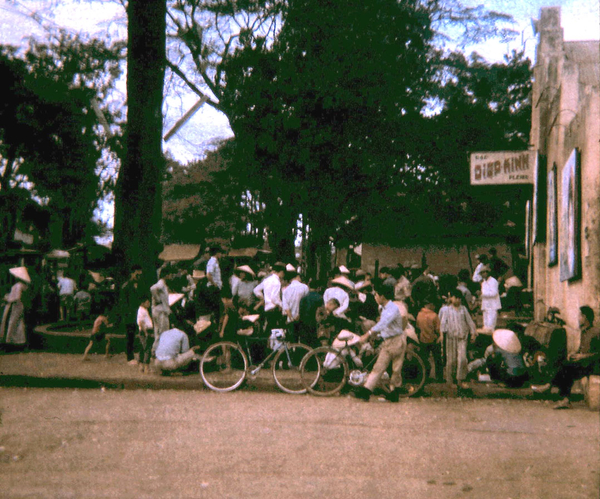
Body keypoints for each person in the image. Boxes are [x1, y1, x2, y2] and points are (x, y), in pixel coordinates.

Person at [532, 306, 600, 409]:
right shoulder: (583, 331)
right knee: (564, 365)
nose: (578, 318)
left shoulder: (596, 332)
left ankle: (551, 387)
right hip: (583, 362)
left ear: (585, 317)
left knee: (566, 368)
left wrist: (582, 356)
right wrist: (574, 354)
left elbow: (597, 354)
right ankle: (562, 397)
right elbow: (582, 349)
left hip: (592, 365)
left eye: (579, 316)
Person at [354, 283, 406, 403]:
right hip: (390, 340)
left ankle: (390, 392)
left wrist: (368, 334)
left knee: (395, 369)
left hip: (396, 340)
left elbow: (383, 324)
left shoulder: (392, 309)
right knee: (381, 367)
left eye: (376, 295)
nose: (375, 297)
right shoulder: (384, 308)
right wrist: (377, 335)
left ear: (382, 296)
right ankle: (369, 391)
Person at [441, 289, 477, 390]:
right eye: (454, 298)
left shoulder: (463, 309)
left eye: (458, 298)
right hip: (451, 338)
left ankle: (460, 380)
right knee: (451, 360)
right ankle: (449, 381)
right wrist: (441, 335)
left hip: (462, 338)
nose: (456, 300)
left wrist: (473, 333)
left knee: (462, 359)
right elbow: (443, 324)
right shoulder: (447, 310)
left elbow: (470, 322)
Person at [1, 267, 31, 348]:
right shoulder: (23, 285)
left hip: (14, 306)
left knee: (11, 322)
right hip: (19, 305)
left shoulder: (18, 285)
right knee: (18, 323)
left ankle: (9, 341)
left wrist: (7, 299)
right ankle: (19, 340)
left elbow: (17, 297)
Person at [120, 265, 144, 365]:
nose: (138, 276)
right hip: (130, 315)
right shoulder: (126, 286)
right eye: (137, 274)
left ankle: (139, 356)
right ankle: (130, 357)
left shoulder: (140, 285)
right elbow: (123, 303)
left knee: (140, 335)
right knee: (130, 336)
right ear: (132, 273)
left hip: (138, 314)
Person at [253, 262, 286, 333]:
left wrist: (263, 298)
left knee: (268, 328)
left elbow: (256, 290)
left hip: (267, 308)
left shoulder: (267, 280)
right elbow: (275, 297)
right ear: (281, 272)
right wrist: (281, 305)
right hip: (274, 308)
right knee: (274, 330)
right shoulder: (277, 282)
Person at [416, 301, 443, 382]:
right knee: (437, 359)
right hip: (433, 340)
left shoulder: (419, 315)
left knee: (424, 359)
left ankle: (425, 377)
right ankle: (439, 377)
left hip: (423, 339)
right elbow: (438, 329)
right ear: (431, 305)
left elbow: (417, 327)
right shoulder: (434, 316)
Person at [282, 269, 309, 341]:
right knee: (303, 340)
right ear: (297, 277)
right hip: (302, 317)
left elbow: (286, 306)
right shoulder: (305, 287)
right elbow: (305, 303)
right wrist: (299, 314)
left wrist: (291, 317)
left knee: (292, 340)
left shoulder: (286, 290)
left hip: (291, 319)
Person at [150, 269, 172, 350]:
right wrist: (157, 298)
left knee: (158, 332)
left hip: (159, 310)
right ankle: (156, 350)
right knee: (162, 332)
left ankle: (157, 350)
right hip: (160, 311)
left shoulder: (163, 284)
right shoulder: (161, 283)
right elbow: (153, 288)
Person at [479, 265, 501, 332]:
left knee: (491, 326)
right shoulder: (483, 283)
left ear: (487, 272)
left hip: (492, 306)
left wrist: (482, 295)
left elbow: (494, 293)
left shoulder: (493, 281)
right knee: (485, 325)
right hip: (486, 306)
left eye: (484, 272)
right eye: (481, 273)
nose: (483, 274)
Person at [137, 296, 154, 373]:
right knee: (147, 348)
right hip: (145, 331)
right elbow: (140, 322)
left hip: (147, 330)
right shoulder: (141, 311)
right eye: (147, 302)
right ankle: (146, 366)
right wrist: (146, 332)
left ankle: (141, 365)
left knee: (143, 348)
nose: (149, 304)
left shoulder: (145, 310)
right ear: (143, 303)